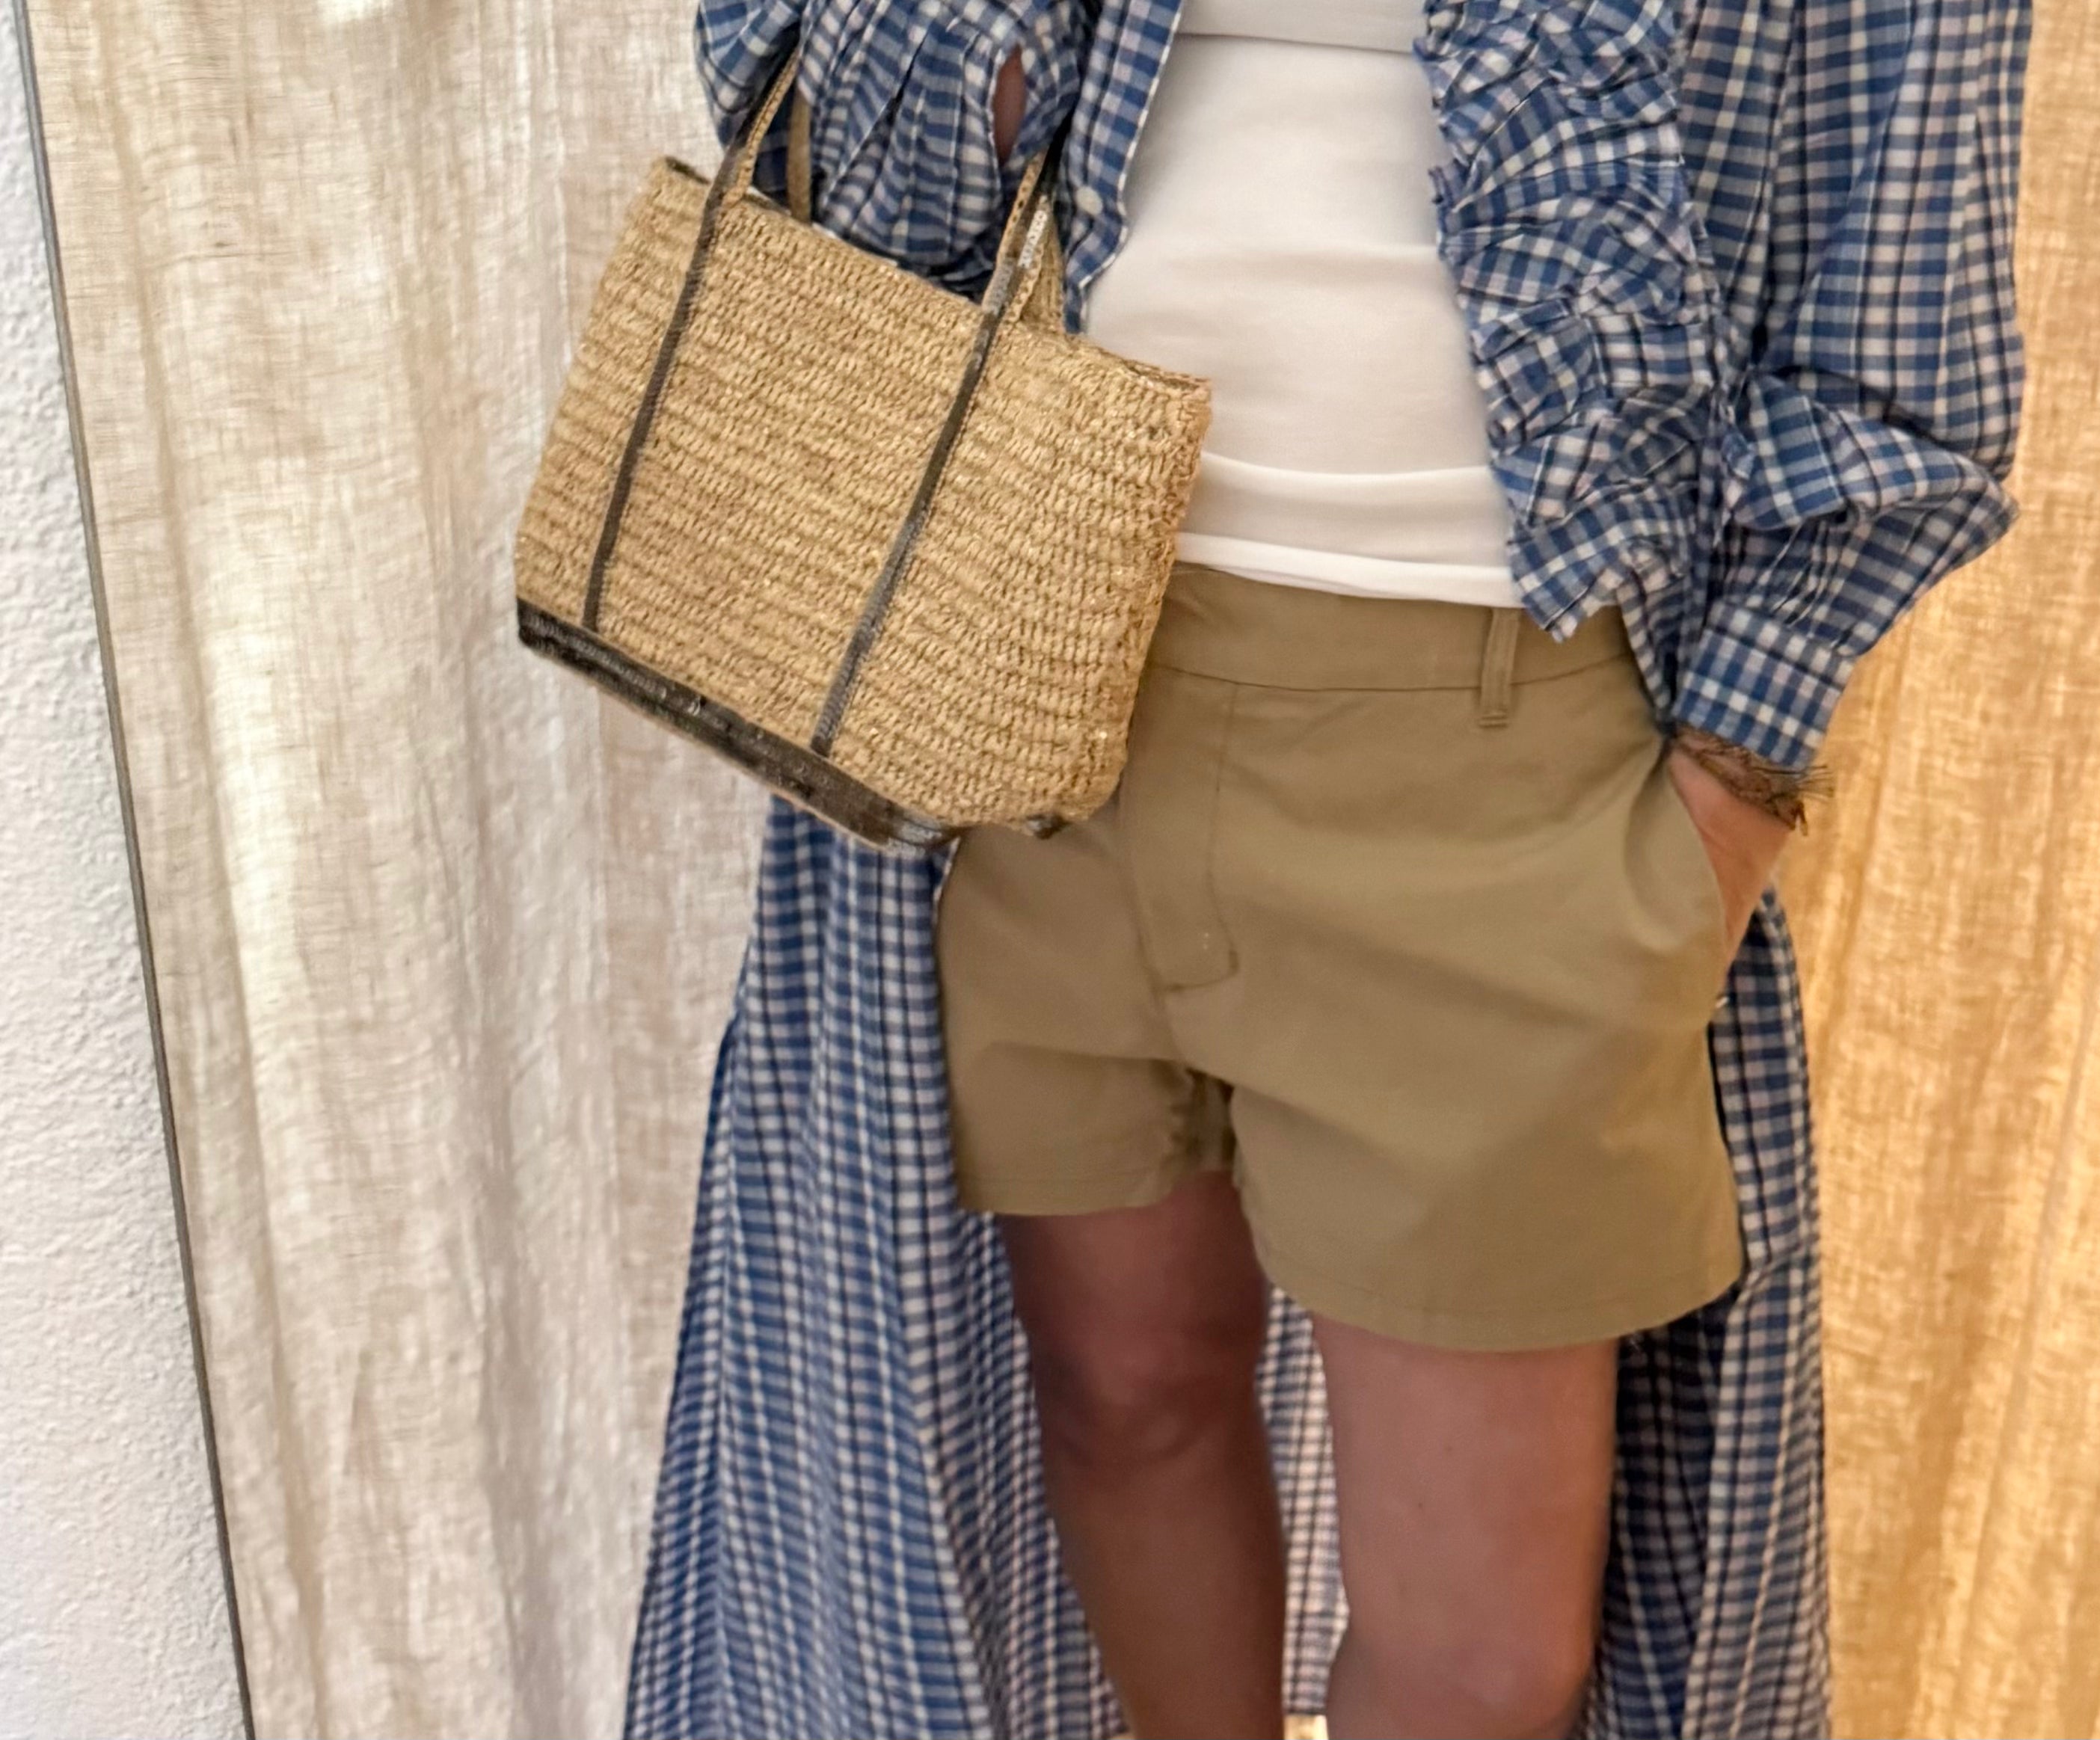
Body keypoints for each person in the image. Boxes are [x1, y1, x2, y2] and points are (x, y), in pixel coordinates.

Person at [627, 4, 2027, 1739]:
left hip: (1504, 747)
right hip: (1027, 654)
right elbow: (822, 106)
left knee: (1488, 1658)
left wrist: (1722, 805)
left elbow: (1902, 308)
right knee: (1127, 1405)